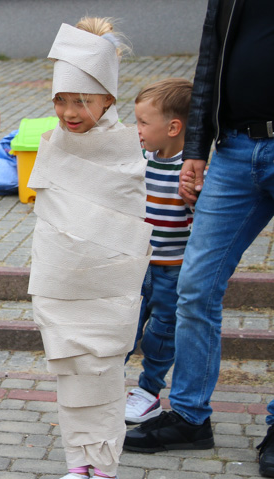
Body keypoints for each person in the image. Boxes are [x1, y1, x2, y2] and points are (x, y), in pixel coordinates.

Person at [122, 0, 274, 479]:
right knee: (196, 286)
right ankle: (190, 416)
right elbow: (209, 61)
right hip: (233, 149)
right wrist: (195, 149)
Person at [28, 18, 151, 479]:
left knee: (100, 367)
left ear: (107, 100)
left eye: (82, 101)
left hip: (107, 288)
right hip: (58, 281)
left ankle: (106, 476)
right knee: (69, 370)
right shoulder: (54, 143)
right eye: (61, 100)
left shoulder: (122, 151)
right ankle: (76, 467)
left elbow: (128, 223)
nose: (70, 112)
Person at [124, 78, 194, 424]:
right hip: (139, 266)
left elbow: (199, 224)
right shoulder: (142, 159)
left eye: (143, 123)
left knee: (161, 335)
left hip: (172, 270)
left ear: (173, 127)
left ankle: (148, 391)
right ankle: (104, 387)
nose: (137, 130)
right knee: (124, 328)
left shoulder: (191, 171)